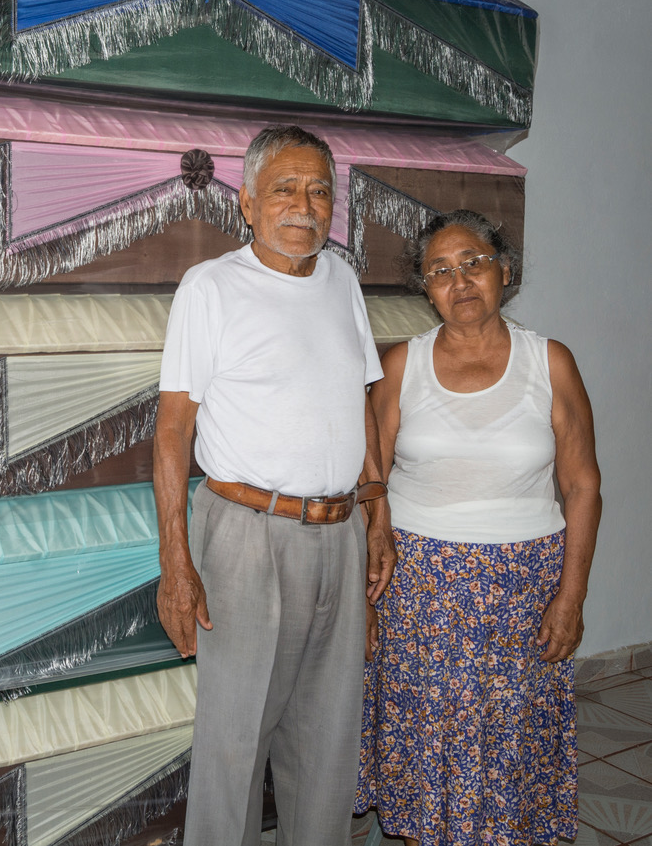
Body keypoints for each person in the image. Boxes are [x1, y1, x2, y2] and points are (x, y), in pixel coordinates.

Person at [154, 124, 396, 846]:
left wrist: (377, 516)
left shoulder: (343, 282)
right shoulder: (211, 287)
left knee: (327, 742)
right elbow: (172, 432)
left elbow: (360, 404)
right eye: (285, 188)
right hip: (246, 535)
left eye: (320, 189)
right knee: (233, 745)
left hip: (341, 533)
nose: (305, 204)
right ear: (248, 203)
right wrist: (176, 564)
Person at [356, 209, 602, 846]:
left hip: (523, 590)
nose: (459, 280)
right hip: (420, 590)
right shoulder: (400, 367)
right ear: (424, 287)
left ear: (505, 271)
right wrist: (367, 598)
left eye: (474, 263)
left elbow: (582, 486)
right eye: (439, 271)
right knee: (421, 740)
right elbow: (369, 484)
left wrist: (570, 597)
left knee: (513, 740)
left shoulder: (550, 362)